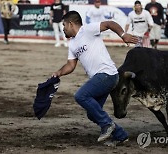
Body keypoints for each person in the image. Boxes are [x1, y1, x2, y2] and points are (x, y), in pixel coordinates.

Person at [52, 11, 138, 145]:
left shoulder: (87, 30)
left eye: (64, 25)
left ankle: (107, 125)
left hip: (107, 74)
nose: (63, 28)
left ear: (71, 24)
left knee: (81, 96)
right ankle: (121, 135)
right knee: (92, 114)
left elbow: (110, 23)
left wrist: (123, 35)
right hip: (101, 78)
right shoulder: (73, 44)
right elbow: (70, 65)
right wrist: (59, 72)